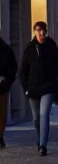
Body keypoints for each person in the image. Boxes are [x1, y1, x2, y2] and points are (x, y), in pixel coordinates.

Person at [19, 21, 58, 156]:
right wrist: (26, 89)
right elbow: (23, 71)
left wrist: (55, 86)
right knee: (36, 118)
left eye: (43, 31)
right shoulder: (29, 48)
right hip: (33, 88)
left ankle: (43, 145)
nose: (41, 33)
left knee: (44, 114)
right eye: (38, 31)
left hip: (48, 87)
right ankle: (39, 139)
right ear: (34, 32)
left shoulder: (52, 46)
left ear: (46, 32)